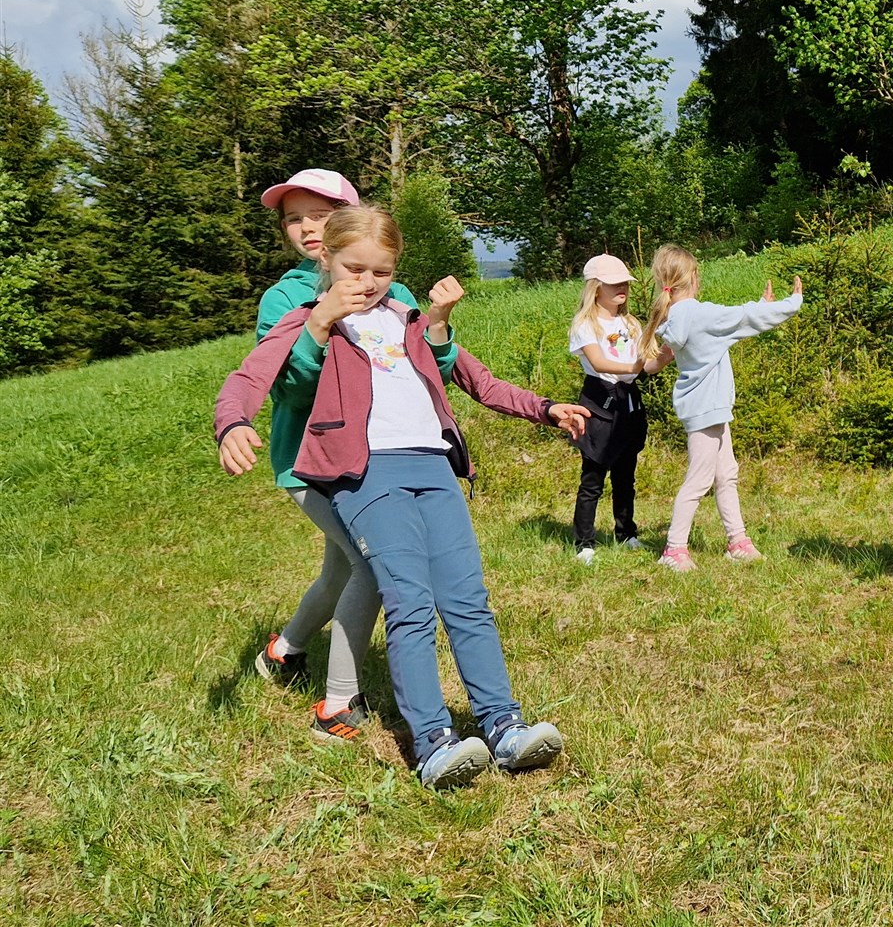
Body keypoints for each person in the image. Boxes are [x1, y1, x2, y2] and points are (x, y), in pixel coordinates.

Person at [216, 207, 594, 788]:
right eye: (354, 269)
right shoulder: (305, 318)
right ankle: (433, 741)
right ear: (327, 259)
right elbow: (253, 378)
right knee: (409, 603)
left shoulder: (406, 317)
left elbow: (475, 378)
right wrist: (234, 424)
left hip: (433, 465)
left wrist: (544, 409)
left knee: (468, 600)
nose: (368, 282)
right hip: (367, 473)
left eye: (382, 271)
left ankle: (504, 725)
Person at [245, 168, 451, 742]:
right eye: (293, 219)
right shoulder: (285, 298)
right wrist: (320, 320)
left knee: (341, 566)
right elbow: (288, 389)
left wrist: (439, 328)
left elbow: (433, 369)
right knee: (370, 565)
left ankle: (285, 650)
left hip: (377, 461)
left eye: (320, 215)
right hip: (308, 464)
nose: (307, 227)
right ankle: (337, 702)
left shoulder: (395, 293)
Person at [640, 245, 802, 570]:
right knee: (699, 480)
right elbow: (742, 318)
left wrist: (760, 307)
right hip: (706, 410)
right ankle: (674, 550)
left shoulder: (679, 316)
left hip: (709, 409)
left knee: (727, 474)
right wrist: (792, 302)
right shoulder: (700, 314)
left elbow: (732, 324)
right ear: (693, 277)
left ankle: (738, 541)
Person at [568, 254, 669, 563]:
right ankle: (584, 543)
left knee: (626, 477)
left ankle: (626, 534)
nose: (622, 288)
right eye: (614, 284)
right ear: (596, 288)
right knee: (593, 479)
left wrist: (670, 352)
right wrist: (633, 366)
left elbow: (647, 365)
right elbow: (599, 362)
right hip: (599, 405)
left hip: (629, 404)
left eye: (624, 283)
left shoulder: (630, 323)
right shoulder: (585, 324)